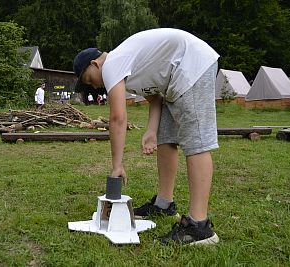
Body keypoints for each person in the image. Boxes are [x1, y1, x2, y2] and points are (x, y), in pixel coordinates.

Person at [73, 28, 220, 245]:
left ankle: (200, 227)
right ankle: (164, 204)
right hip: (173, 79)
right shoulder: (127, 68)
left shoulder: (112, 65)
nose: (93, 86)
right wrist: (151, 132)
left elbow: (117, 118)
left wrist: (117, 166)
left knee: (195, 141)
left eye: (88, 80)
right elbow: (155, 99)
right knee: (165, 138)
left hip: (192, 65)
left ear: (95, 64)